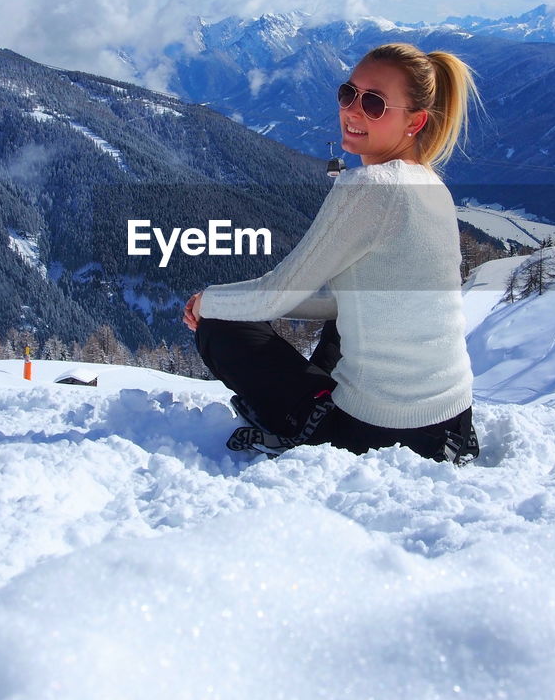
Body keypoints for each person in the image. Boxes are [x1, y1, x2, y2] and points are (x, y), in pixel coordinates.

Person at [183, 43, 480, 464]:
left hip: (375, 432)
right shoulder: (433, 187)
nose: (353, 110)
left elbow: (274, 293)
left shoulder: (370, 187)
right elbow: (352, 299)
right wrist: (263, 308)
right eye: (348, 93)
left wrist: (209, 302)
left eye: (374, 103)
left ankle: (303, 421)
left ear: (415, 121)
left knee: (219, 326)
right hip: (451, 421)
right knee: (345, 316)